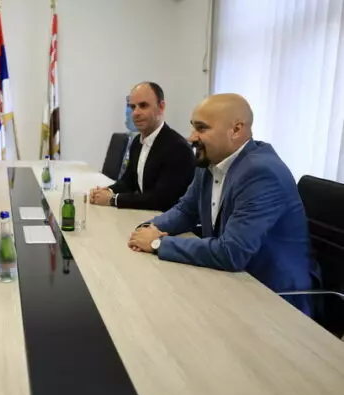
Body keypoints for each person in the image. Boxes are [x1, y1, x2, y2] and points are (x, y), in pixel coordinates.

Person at [127, 93, 314, 315]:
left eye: (201, 128)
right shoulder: (210, 162)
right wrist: (146, 229)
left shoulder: (261, 173)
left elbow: (231, 252)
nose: (191, 137)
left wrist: (157, 243)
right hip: (232, 282)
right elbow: (185, 211)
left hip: (274, 298)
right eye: (193, 127)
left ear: (236, 129)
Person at [90, 82, 195, 211]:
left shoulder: (177, 148)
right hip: (143, 215)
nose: (136, 112)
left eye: (143, 105)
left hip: (164, 220)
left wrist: (113, 199)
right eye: (132, 107)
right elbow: (128, 182)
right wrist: (107, 191)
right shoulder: (137, 142)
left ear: (161, 107)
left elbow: (161, 200)